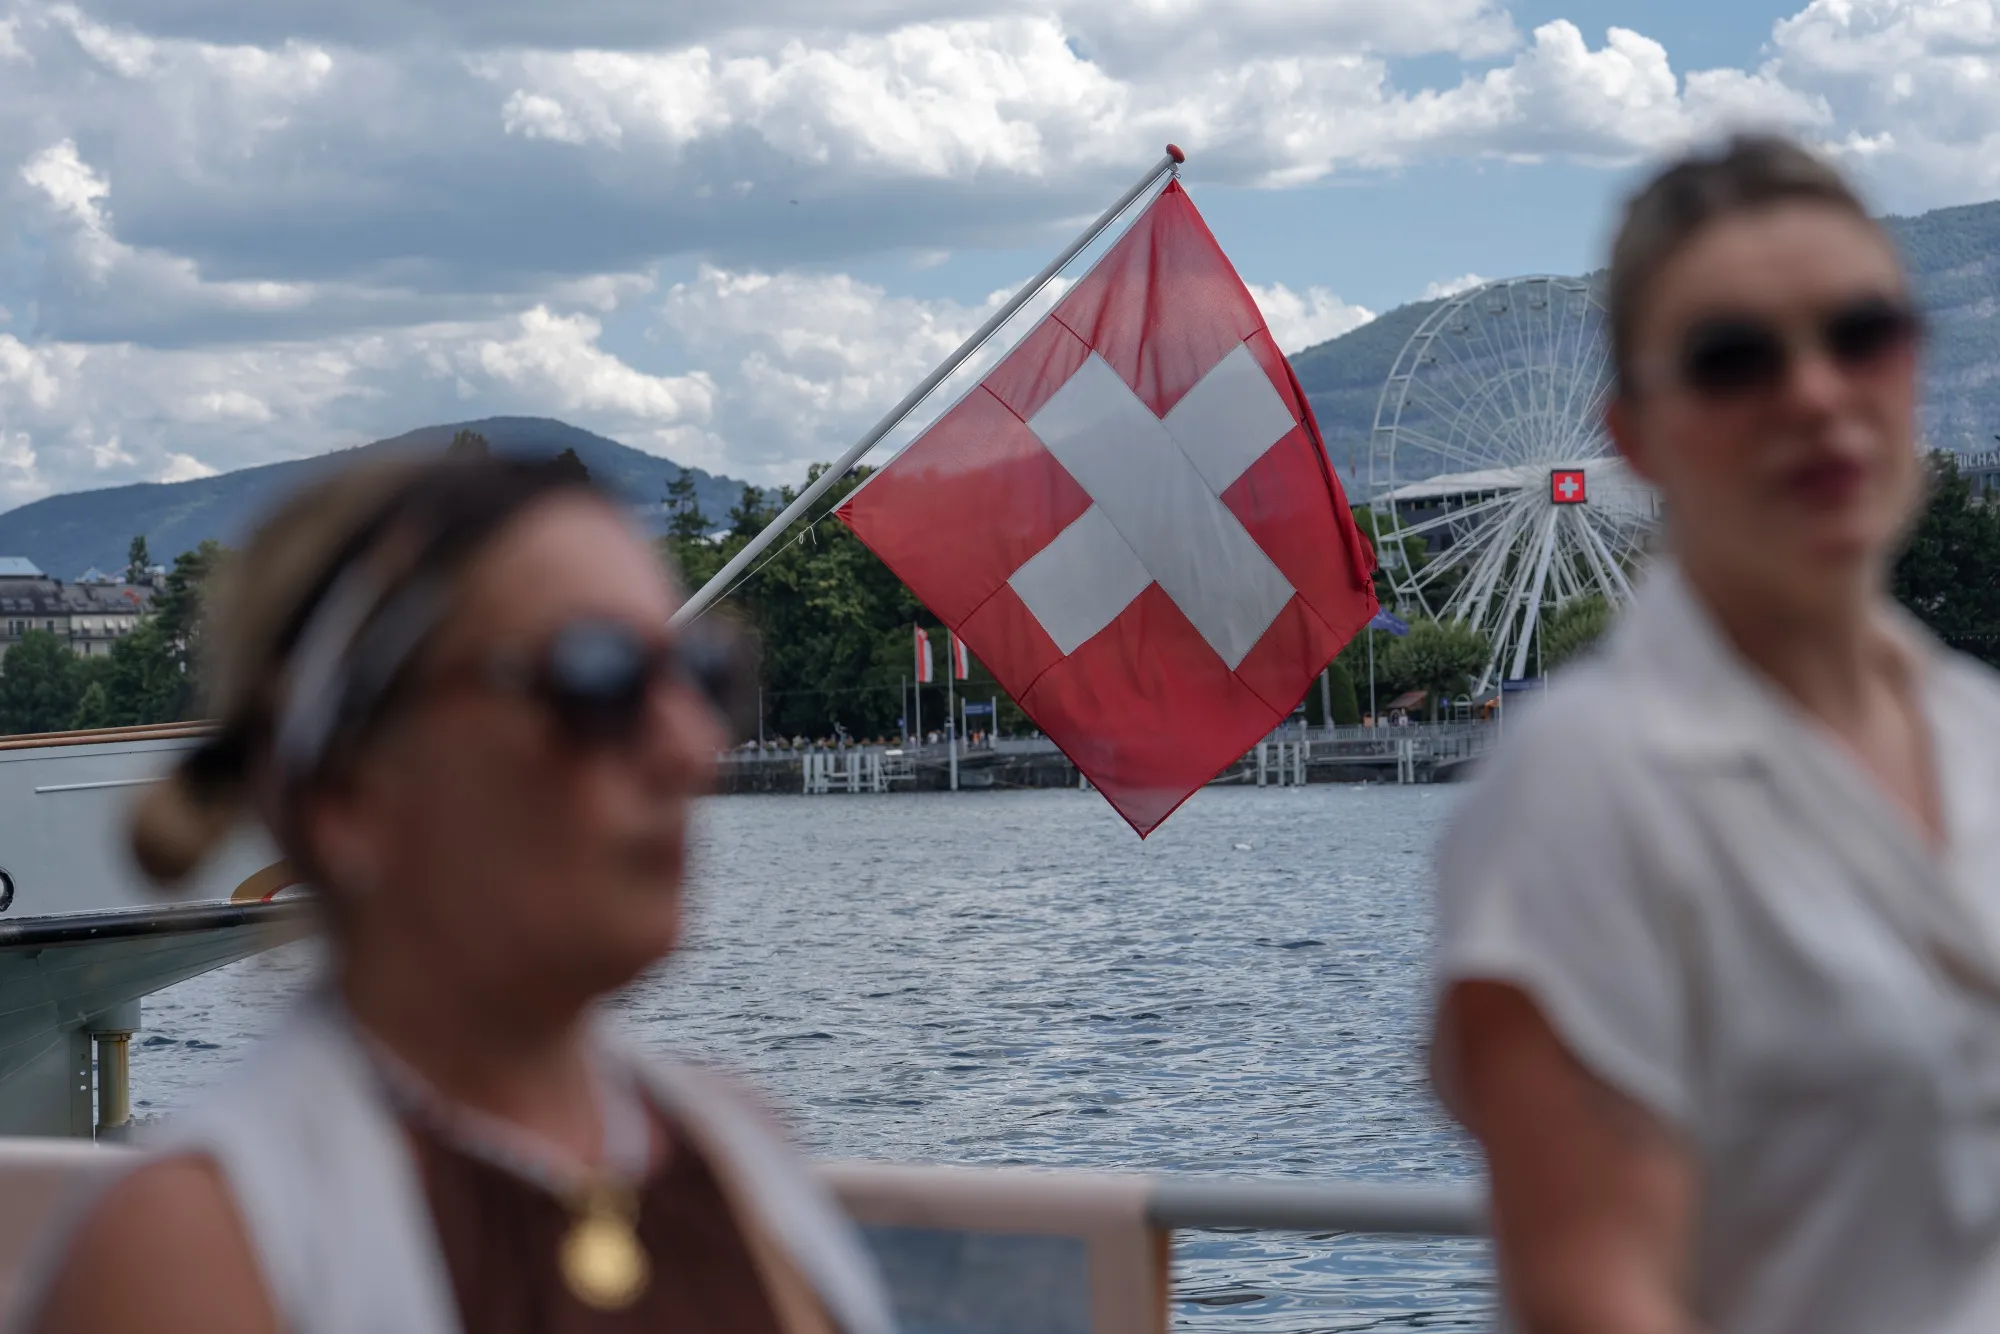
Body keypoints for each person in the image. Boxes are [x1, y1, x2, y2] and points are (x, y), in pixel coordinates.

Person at [13, 456, 894, 1334]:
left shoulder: (731, 1144)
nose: (691, 746)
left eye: (701, 673)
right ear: (350, 794)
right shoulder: (198, 1253)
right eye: (595, 677)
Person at [1432, 134, 2000, 1334]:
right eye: (1731, 358)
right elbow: (1591, 1293)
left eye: (1859, 334)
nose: (1812, 391)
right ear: (1631, 434)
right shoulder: (1582, 784)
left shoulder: (1977, 733)